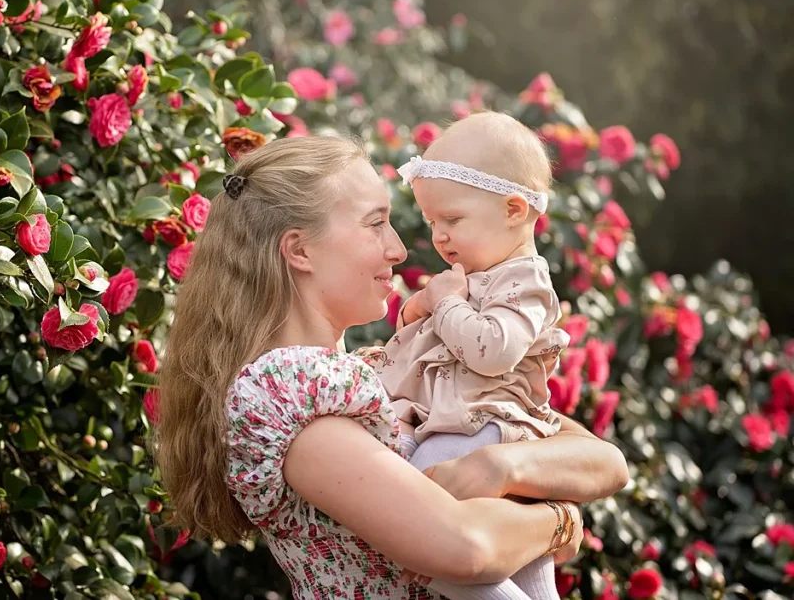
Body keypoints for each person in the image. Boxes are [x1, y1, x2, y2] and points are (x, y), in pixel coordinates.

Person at [156, 135, 628, 599]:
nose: (400, 249)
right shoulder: (289, 399)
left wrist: (500, 465)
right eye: (375, 224)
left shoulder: (370, 378)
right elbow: (465, 547)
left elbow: (604, 460)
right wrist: (558, 520)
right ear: (300, 251)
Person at [368, 112, 571, 600]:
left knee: (414, 536)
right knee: (526, 570)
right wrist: (421, 313)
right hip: (461, 425)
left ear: (513, 210)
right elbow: (422, 355)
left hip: (482, 430)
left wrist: (445, 305)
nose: (438, 236)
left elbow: (491, 351)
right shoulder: (476, 280)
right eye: (434, 222)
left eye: (453, 220)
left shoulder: (525, 281)